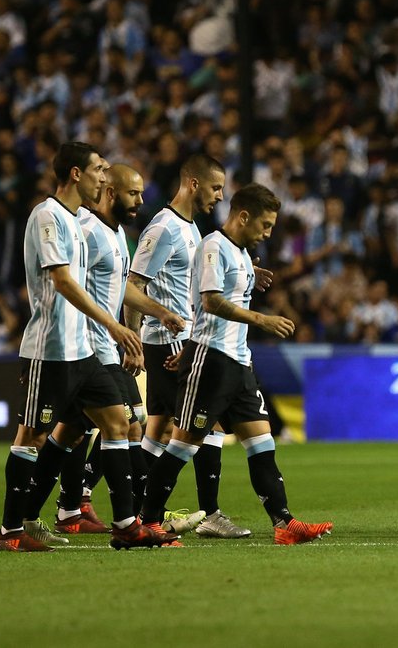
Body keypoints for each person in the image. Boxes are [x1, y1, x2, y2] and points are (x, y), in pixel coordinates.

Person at [0, 142, 171, 551]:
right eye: (98, 169)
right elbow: (62, 281)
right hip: (51, 348)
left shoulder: (76, 222)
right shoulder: (48, 216)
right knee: (32, 438)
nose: (103, 177)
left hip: (83, 350)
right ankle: (11, 532)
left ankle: (126, 525)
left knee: (118, 422)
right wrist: (114, 326)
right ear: (76, 173)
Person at [137, 184, 332, 545]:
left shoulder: (240, 253)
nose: (268, 233)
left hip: (238, 363)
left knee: (262, 442)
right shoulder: (213, 245)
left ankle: (284, 523)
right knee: (181, 445)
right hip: (212, 362)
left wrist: (249, 278)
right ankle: (146, 521)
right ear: (243, 216)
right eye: (266, 224)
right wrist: (261, 320)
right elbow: (210, 302)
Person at [48, 162, 199, 537]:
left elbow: (120, 288)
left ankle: (76, 507)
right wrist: (122, 331)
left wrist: (159, 311)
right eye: (134, 193)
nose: (141, 201)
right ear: (111, 192)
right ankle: (136, 516)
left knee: (90, 429)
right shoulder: (86, 230)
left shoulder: (115, 234)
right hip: (85, 347)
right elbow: (69, 287)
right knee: (121, 424)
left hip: (105, 345)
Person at [129, 154, 250, 538]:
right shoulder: (163, 227)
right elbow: (132, 286)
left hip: (183, 340)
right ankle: (208, 514)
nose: (220, 196)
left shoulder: (192, 228)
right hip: (167, 342)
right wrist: (134, 341)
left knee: (160, 430)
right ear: (193, 184)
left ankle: (135, 513)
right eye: (216, 188)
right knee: (203, 423)